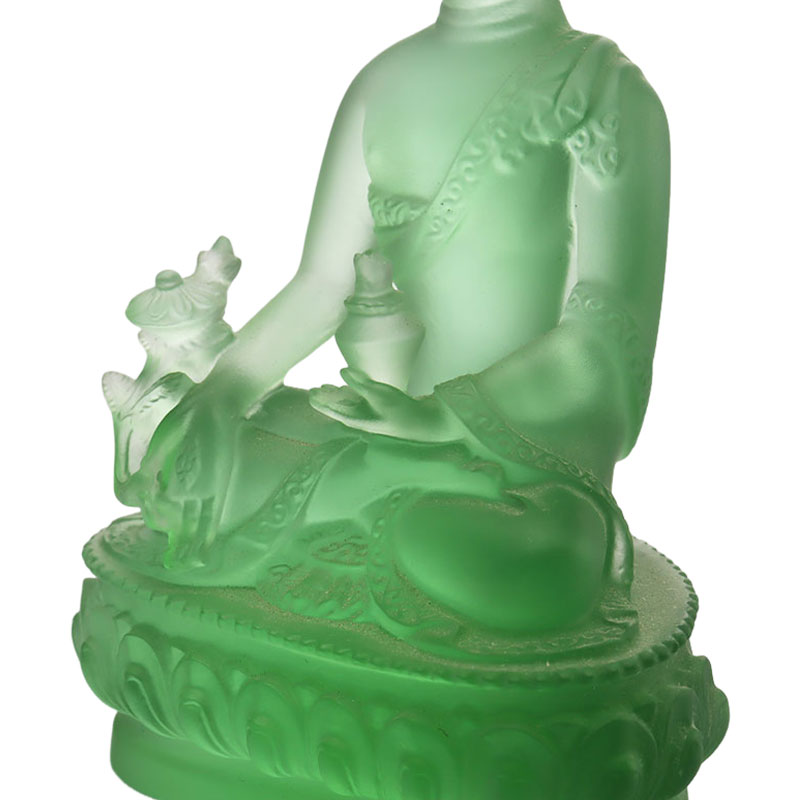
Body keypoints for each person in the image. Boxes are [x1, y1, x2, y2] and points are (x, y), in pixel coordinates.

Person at [120, 0, 669, 650]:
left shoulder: (599, 89)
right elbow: (323, 284)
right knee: (198, 468)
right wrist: (225, 391)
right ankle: (370, 520)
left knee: (514, 558)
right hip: (381, 434)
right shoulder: (381, 82)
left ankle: (369, 529)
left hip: (522, 465)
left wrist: (443, 418)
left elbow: (608, 329)